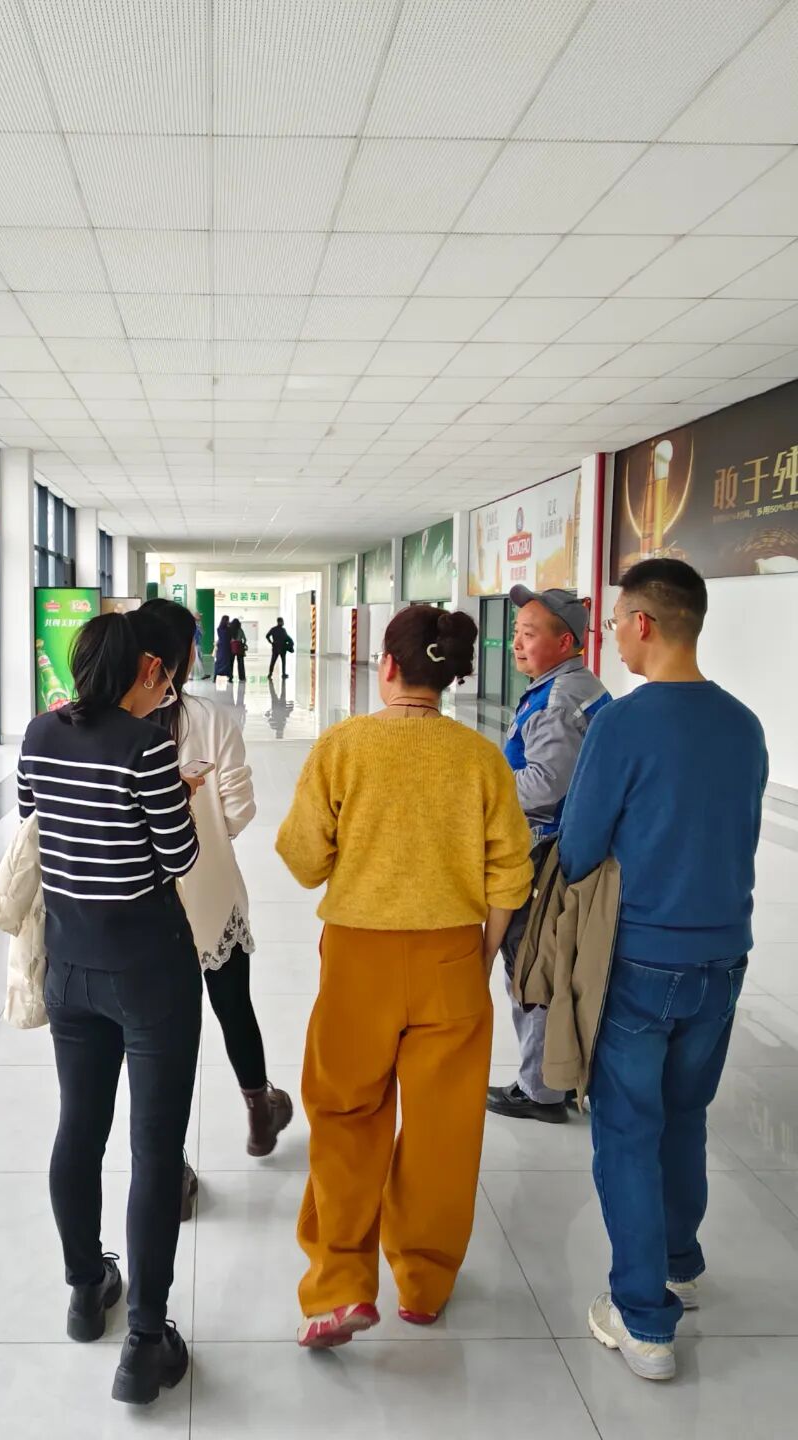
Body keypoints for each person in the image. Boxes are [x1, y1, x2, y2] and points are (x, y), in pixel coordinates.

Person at [276, 607, 533, 1349]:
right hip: (452, 957)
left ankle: (339, 1286)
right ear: (449, 677)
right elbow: (510, 875)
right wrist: (479, 957)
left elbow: (303, 859)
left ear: (386, 666)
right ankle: (423, 1282)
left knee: (346, 1116)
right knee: (442, 1129)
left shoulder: (342, 746)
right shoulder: (481, 758)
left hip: (358, 958)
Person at [559, 559, 768, 1383]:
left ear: (643, 623)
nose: (613, 635)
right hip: (724, 956)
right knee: (685, 1114)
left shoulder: (623, 724)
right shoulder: (744, 725)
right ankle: (679, 1262)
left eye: (616, 621)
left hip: (642, 958)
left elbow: (579, 848)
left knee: (627, 1128)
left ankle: (644, 1321)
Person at [17, 610, 204, 1407]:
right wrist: (176, 796)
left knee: (79, 1128)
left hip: (70, 967)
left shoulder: (38, 733)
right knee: (155, 1150)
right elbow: (180, 854)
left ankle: (86, 1288)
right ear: (141, 671)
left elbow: (33, 812)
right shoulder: (146, 746)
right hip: (149, 970)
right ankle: (145, 1344)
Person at [143, 599, 294, 1158]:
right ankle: (259, 1110)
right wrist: (206, 830)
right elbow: (238, 811)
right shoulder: (210, 719)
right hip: (208, 890)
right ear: (184, 656)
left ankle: (172, 1164)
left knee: (163, 1036)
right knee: (234, 1006)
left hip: (141, 901)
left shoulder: (112, 725)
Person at [487, 587, 611, 1125]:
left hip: (545, 855)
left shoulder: (558, 700)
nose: (516, 643)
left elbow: (544, 786)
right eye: (516, 633)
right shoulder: (573, 686)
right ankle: (554, 1076)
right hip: (567, 847)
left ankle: (540, 1090)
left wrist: (487, 786)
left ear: (565, 642)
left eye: (529, 634)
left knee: (530, 964)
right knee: (548, 962)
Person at [228, 618, 248, 684]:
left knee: (231, 663)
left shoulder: (230, 630)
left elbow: (228, 638)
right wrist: (243, 644)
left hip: (232, 647)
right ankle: (242, 677)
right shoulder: (240, 630)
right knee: (240, 663)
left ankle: (230, 677)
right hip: (239, 647)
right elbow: (245, 639)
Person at [192, 613, 206, 680]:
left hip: (194, 645)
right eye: (199, 616)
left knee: (193, 660)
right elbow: (202, 633)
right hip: (196, 645)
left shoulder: (195, 625)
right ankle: (202, 674)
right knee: (198, 660)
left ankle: (190, 676)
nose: (201, 618)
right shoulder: (196, 625)